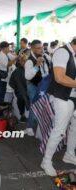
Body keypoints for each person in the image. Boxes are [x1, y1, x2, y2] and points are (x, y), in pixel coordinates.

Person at [41, 38, 76, 176]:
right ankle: (46, 161)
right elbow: (60, 78)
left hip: (71, 96)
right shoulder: (62, 52)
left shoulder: (72, 54)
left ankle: (69, 154)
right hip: (61, 97)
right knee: (60, 130)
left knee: (74, 127)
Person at [24, 39, 51, 136]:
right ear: (32, 48)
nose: (41, 50)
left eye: (42, 47)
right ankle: (29, 127)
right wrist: (36, 65)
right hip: (33, 86)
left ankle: (39, 125)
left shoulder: (45, 56)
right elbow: (27, 76)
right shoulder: (29, 61)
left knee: (42, 105)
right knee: (34, 105)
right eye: (38, 48)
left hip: (44, 85)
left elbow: (48, 70)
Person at [0, 41, 16, 115]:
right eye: (8, 47)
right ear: (4, 48)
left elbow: (13, 57)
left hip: (4, 78)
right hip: (1, 79)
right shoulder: (1, 55)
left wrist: (17, 57)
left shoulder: (6, 54)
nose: (9, 49)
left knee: (1, 95)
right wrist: (15, 59)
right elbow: (8, 64)